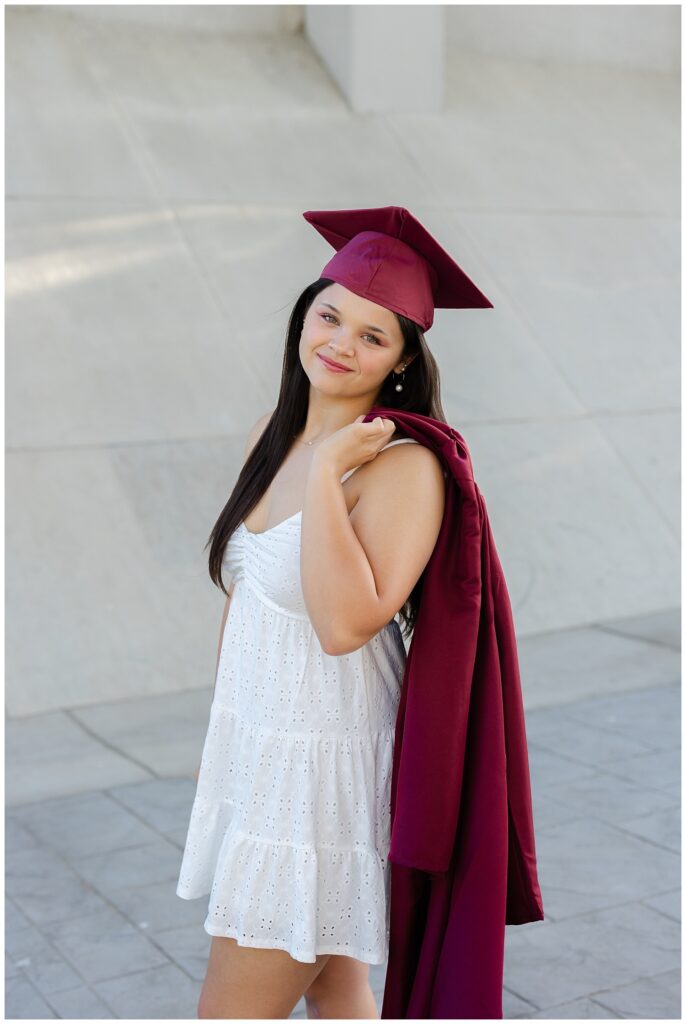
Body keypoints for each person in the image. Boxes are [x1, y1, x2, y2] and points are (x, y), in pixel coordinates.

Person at [175, 206, 493, 1019]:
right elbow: (246, 598)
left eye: (373, 335)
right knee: (338, 986)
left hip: (321, 774)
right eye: (329, 316)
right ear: (303, 318)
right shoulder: (267, 437)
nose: (341, 343)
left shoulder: (403, 469)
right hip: (263, 748)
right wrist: (228, 735)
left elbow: (344, 625)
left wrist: (325, 476)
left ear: (400, 363)